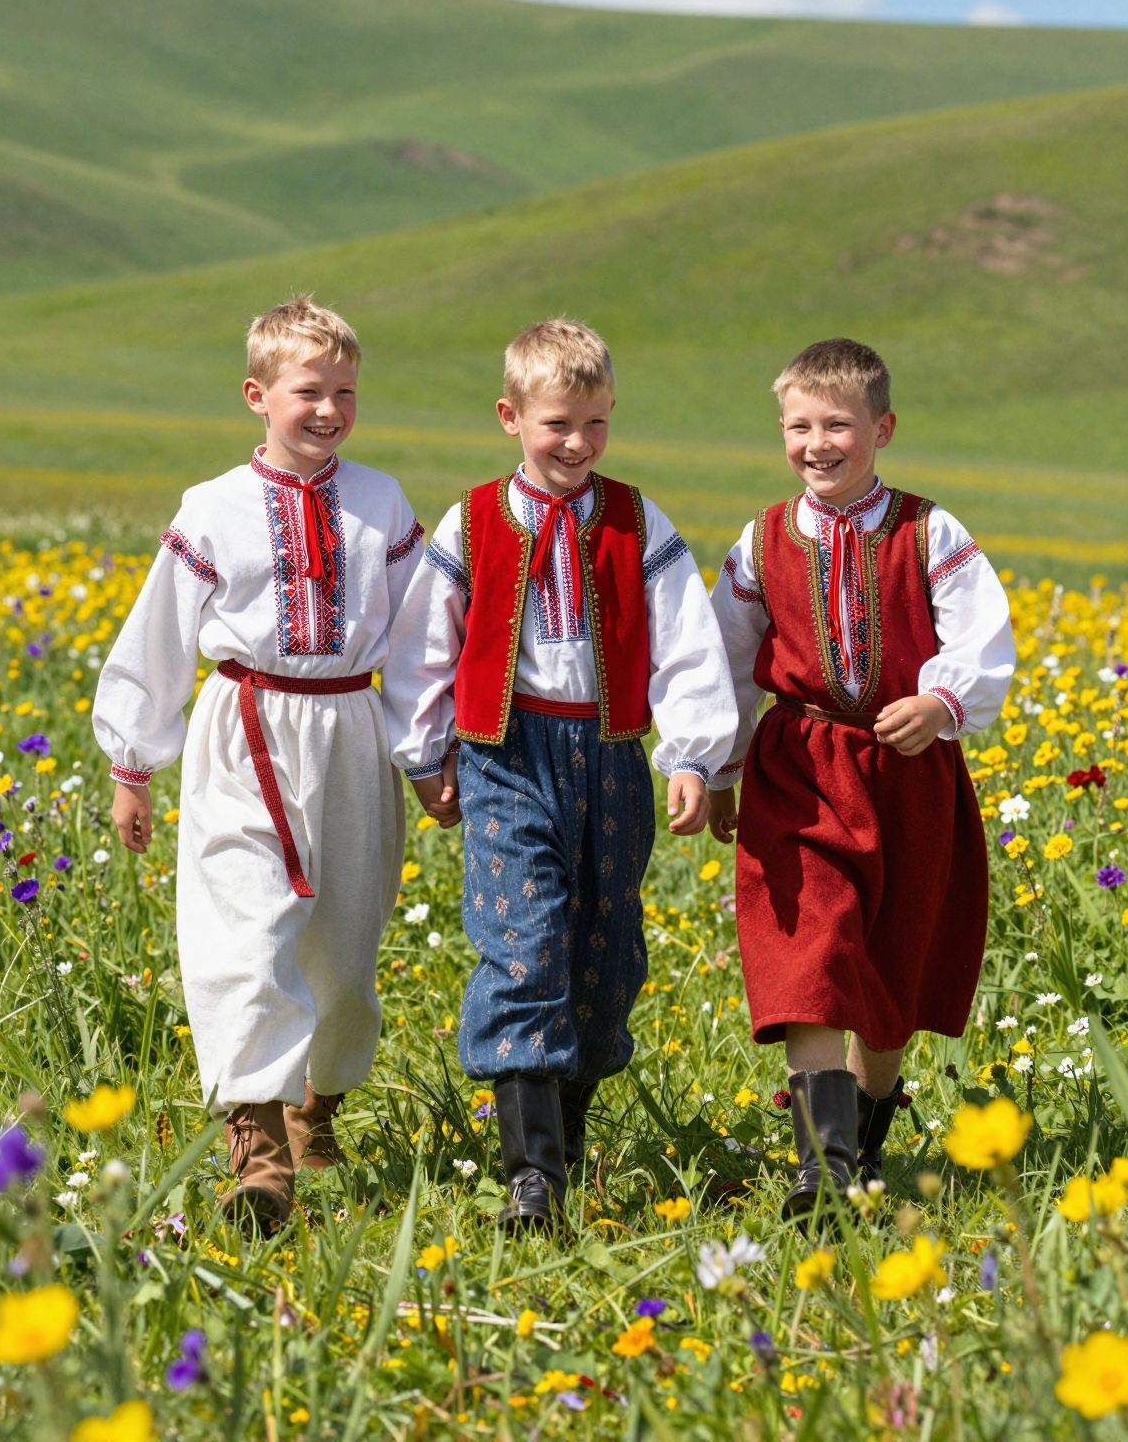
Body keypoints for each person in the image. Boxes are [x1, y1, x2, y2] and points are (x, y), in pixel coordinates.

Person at [383, 318, 739, 1224]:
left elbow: (686, 644)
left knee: (606, 950)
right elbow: (427, 645)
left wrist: (692, 751)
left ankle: (568, 1137)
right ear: (511, 417)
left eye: (594, 424)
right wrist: (426, 755)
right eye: (555, 425)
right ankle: (530, 1174)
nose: (576, 444)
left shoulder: (634, 518)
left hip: (615, 756)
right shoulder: (472, 519)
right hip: (507, 752)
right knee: (524, 938)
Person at [93, 296, 424, 1229]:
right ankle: (258, 1148)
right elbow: (159, 631)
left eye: (345, 392)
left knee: (344, 952)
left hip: (350, 732)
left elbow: (414, 641)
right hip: (243, 729)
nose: (328, 410)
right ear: (257, 395)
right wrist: (132, 761)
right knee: (243, 933)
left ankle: (317, 1107)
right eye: (307, 391)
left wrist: (431, 752)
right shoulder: (213, 509)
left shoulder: (381, 501)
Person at [709, 337, 1014, 1220]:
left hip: (907, 776)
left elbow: (981, 634)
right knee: (810, 955)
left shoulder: (928, 531)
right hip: (798, 770)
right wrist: (719, 765)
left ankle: (867, 1130)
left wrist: (942, 704)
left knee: (887, 981)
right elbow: (726, 659)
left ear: (881, 427)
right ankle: (823, 1169)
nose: (817, 442)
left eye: (837, 424)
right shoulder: (761, 540)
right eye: (798, 426)